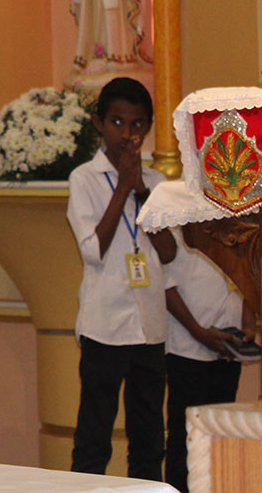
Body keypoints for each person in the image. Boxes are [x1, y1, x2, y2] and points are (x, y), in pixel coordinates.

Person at [66, 76, 176, 479]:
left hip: (149, 326)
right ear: (99, 123)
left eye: (137, 125)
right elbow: (93, 251)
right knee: (94, 438)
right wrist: (122, 188)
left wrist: (142, 190)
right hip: (105, 327)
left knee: (149, 439)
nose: (127, 134)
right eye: (117, 122)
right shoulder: (84, 180)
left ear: (147, 128)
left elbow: (168, 252)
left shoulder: (159, 183)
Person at [163, 226, 251, 492]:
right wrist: (198, 332)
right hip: (187, 347)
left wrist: (247, 323)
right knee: (186, 437)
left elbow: (248, 280)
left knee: (220, 435)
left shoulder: (238, 226)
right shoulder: (178, 223)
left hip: (228, 348)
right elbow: (166, 287)